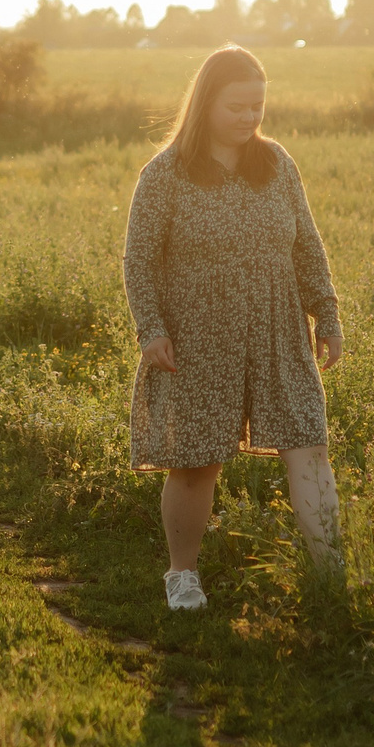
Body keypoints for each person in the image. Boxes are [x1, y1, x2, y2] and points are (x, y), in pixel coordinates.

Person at [123, 45, 346, 611]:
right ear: (205, 104)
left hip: (279, 329)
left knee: (309, 447)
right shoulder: (165, 174)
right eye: (238, 106)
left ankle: (330, 577)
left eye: (258, 106)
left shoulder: (277, 165)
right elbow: (139, 262)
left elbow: (308, 246)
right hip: (196, 337)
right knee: (196, 461)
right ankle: (182, 575)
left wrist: (328, 314)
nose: (250, 118)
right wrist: (151, 330)